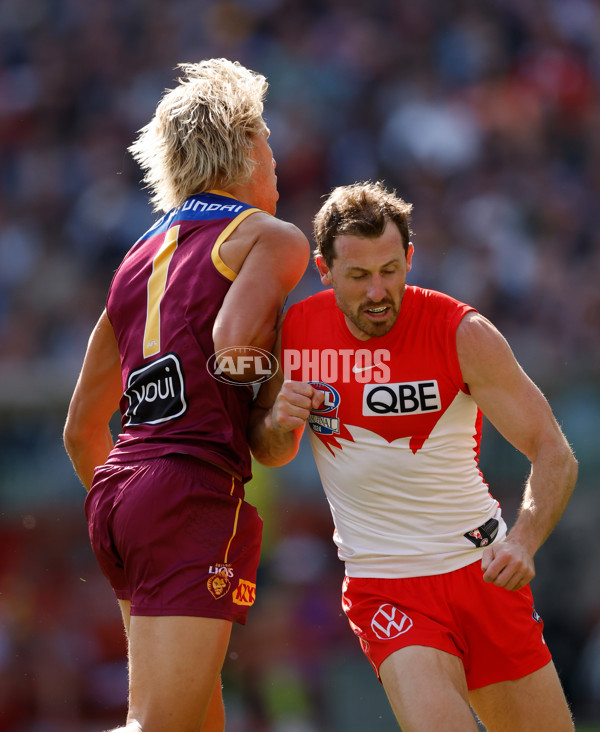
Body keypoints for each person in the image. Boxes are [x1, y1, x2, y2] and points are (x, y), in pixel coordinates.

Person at [249, 181, 578, 731]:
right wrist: (279, 423)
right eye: (358, 276)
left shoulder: (461, 332)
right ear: (324, 270)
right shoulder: (297, 331)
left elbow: (554, 453)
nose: (378, 291)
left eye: (390, 270)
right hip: (387, 586)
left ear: (409, 259)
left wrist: (522, 540)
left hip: (484, 572)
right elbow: (271, 450)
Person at [63, 58, 309, 732]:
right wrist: (286, 385)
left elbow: (81, 430)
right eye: (264, 134)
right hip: (189, 490)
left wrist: (132, 499)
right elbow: (233, 344)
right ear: (238, 146)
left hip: (118, 495)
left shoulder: (136, 260)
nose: (274, 153)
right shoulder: (273, 238)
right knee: (160, 727)